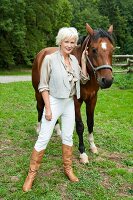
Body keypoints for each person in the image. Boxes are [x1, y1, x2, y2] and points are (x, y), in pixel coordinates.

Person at [22, 27, 89, 192]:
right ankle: (31, 175)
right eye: (66, 41)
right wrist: (49, 108)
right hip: (53, 102)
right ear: (60, 41)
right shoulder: (50, 59)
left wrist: (83, 62)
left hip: (69, 104)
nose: (69, 45)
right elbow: (43, 86)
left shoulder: (74, 60)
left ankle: (68, 169)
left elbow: (84, 79)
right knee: (44, 137)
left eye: (73, 42)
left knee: (67, 136)